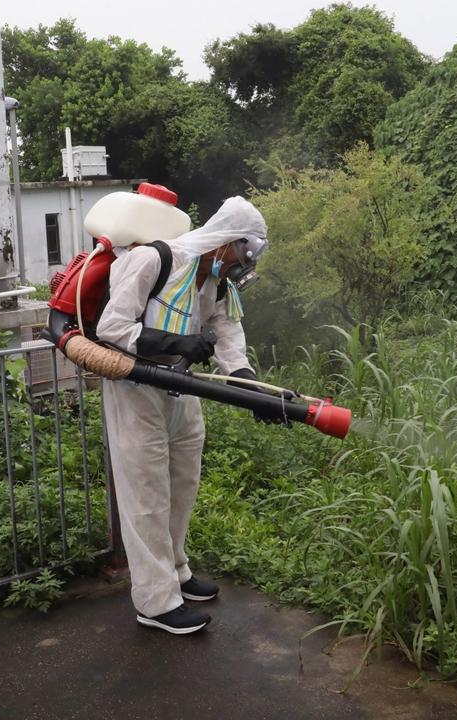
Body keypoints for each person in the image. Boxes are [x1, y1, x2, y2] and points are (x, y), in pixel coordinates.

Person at [94, 196, 279, 634]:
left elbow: (228, 332)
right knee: (146, 495)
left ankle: (176, 571)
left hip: (180, 388)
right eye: (244, 251)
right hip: (135, 388)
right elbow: (112, 328)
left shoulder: (213, 280)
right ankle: (155, 603)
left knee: (182, 483)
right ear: (222, 242)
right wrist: (176, 343)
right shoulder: (154, 260)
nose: (244, 262)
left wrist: (250, 384)